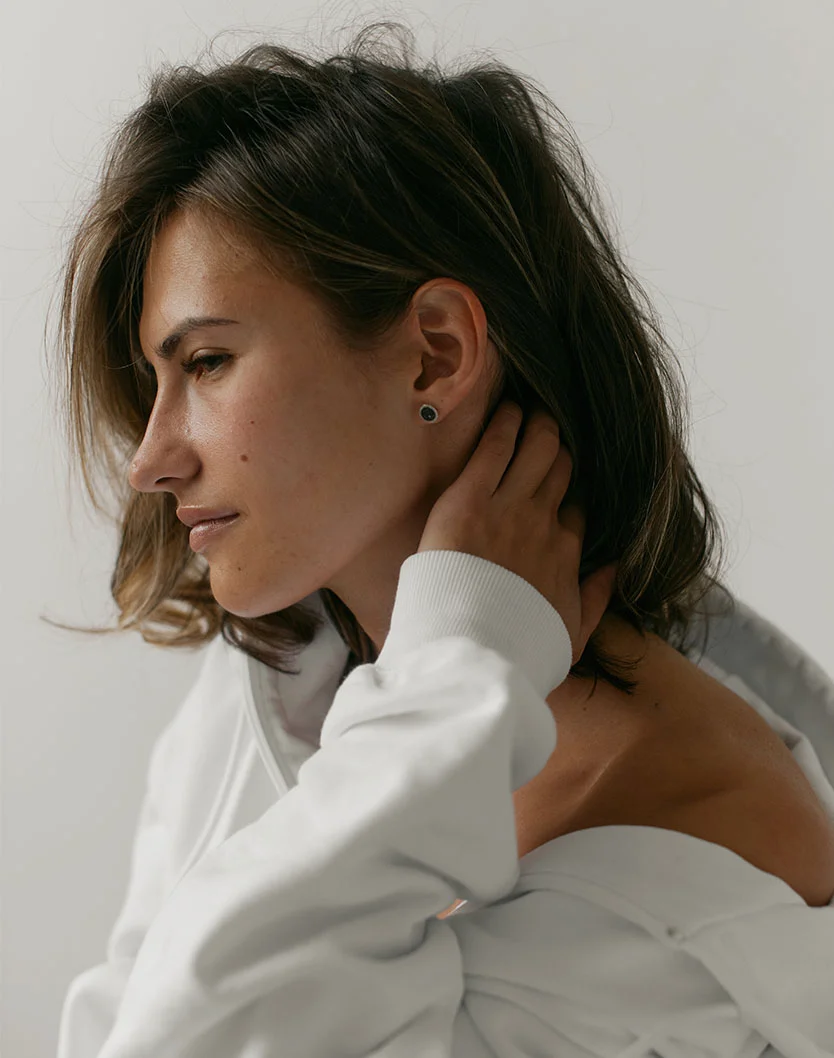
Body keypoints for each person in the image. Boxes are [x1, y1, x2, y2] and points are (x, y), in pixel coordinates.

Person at [51, 21, 834, 1058]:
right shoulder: (283, 678)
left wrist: (455, 670)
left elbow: (196, 1030)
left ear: (435, 353)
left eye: (204, 362)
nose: (150, 460)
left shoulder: (674, 875)